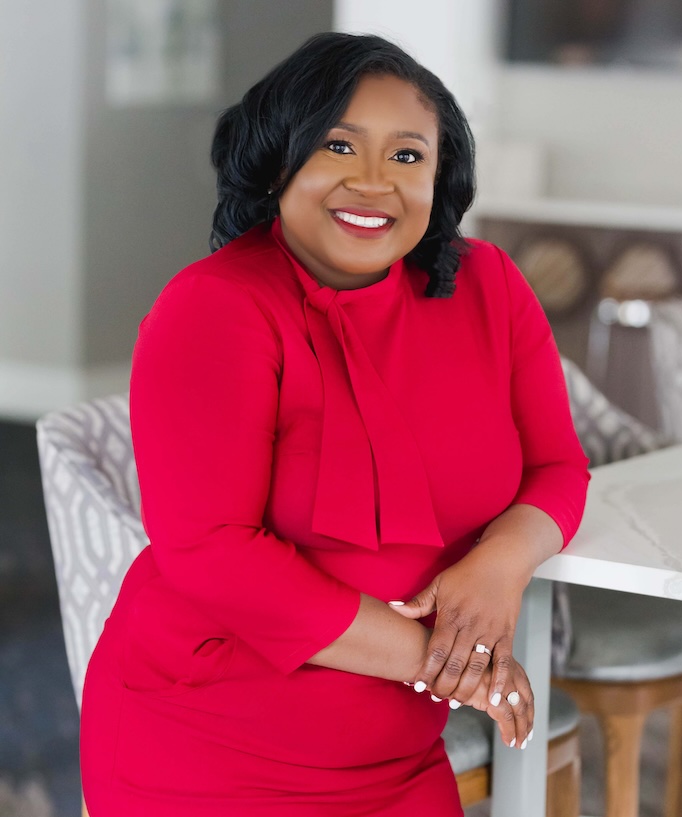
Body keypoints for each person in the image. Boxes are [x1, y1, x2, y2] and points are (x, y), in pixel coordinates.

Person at [80, 32, 589, 817]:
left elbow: (557, 466)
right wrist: (449, 663)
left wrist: (499, 567)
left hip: (398, 758)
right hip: (208, 746)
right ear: (278, 159)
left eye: (408, 156)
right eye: (339, 145)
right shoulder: (215, 307)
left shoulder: (489, 283)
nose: (373, 183)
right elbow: (211, 552)